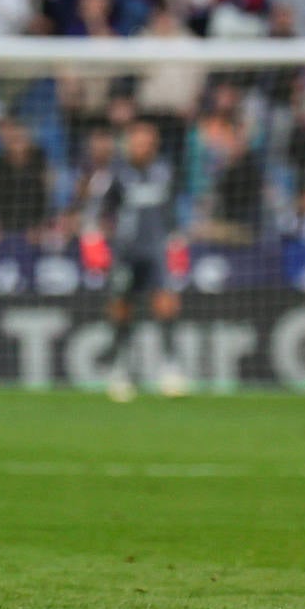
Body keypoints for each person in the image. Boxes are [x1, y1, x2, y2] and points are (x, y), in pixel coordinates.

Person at [80, 118, 189, 402]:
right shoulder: (114, 173)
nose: (141, 147)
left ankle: (170, 370)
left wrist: (177, 242)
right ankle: (120, 371)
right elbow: (94, 212)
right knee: (121, 308)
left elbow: (173, 212)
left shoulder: (165, 171)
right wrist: (94, 243)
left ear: (154, 145)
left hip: (157, 251)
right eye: (136, 142)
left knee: (165, 304)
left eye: (146, 143)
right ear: (128, 144)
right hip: (126, 253)